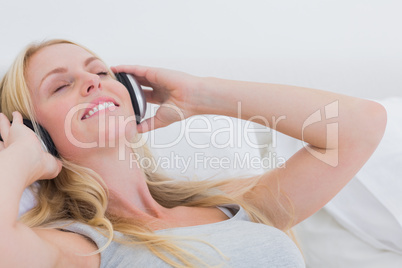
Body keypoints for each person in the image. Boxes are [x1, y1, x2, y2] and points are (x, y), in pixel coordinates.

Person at [0, 39, 386, 267]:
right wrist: (21, 158)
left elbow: (360, 126)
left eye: (100, 72)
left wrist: (201, 95)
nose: (91, 83)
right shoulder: (82, 248)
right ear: (37, 132)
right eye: (60, 86)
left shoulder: (238, 207)